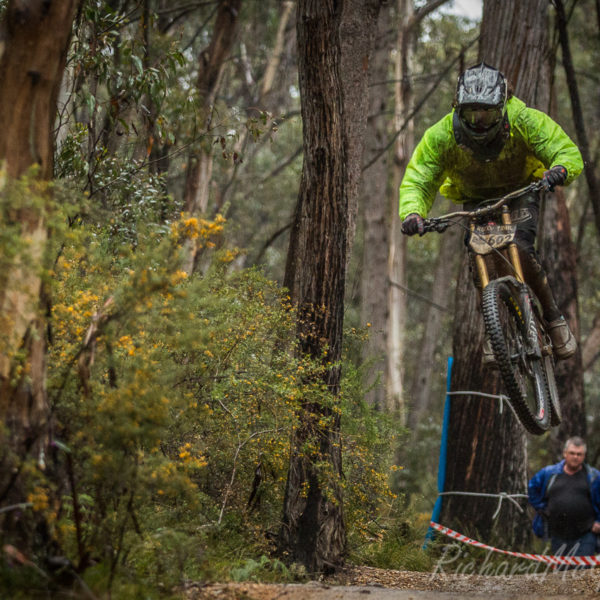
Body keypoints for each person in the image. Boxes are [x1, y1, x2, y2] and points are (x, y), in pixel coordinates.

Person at [399, 62, 583, 364]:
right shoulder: (442, 136)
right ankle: (494, 330)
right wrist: (412, 213)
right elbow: (419, 178)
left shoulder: (524, 119)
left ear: (504, 106)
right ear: (458, 109)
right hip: (475, 200)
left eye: (488, 114)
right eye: (472, 114)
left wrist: (561, 169)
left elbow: (563, 148)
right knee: (479, 257)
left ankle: (553, 317)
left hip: (520, 192)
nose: (480, 122)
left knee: (521, 249)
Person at [528, 437, 600, 557]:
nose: (575, 457)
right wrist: (542, 508)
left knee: (582, 574)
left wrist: (598, 521)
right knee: (562, 574)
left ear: (584, 456)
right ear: (565, 453)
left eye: (579, 454)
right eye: (572, 453)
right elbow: (532, 487)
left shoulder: (594, 477)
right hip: (558, 536)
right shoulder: (549, 473)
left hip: (585, 535)